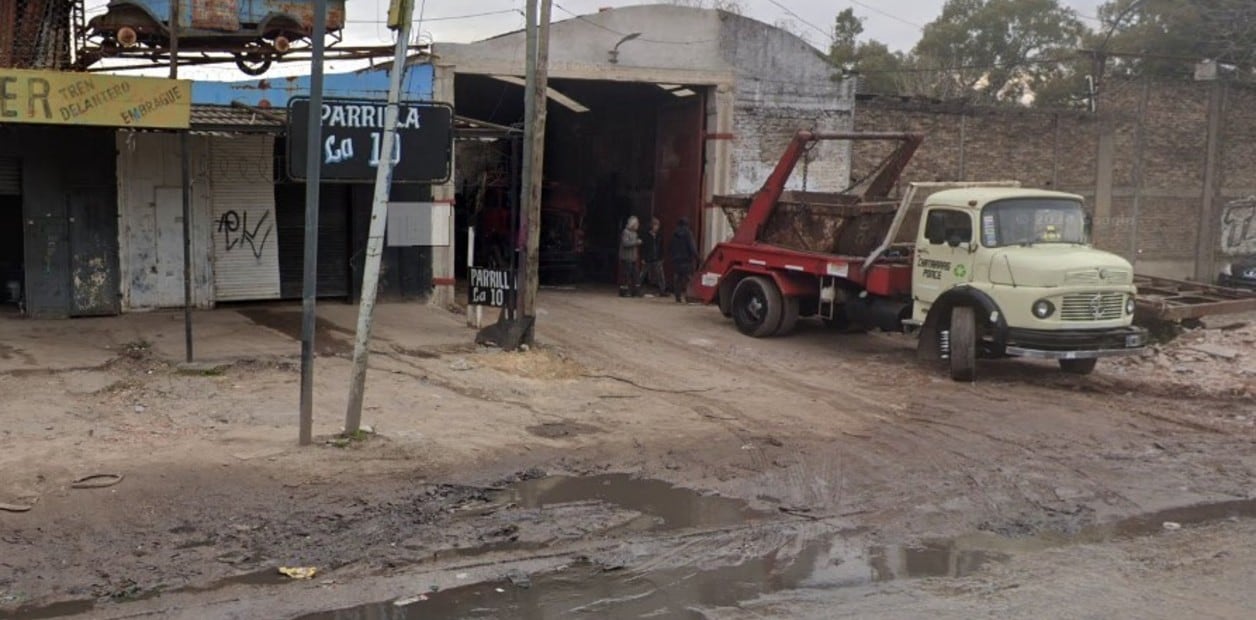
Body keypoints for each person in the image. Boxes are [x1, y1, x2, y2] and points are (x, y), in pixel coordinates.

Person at [670, 217, 699, 303]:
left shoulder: (674, 233)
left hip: (676, 260)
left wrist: (673, 257)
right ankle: (690, 296)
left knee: (677, 279)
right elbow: (692, 247)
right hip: (686, 260)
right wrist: (697, 257)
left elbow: (671, 247)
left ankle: (677, 297)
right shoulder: (688, 233)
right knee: (689, 279)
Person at [638, 217, 666, 297]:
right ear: (651, 226)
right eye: (655, 225)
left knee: (660, 275)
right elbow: (643, 248)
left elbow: (661, 247)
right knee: (642, 274)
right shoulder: (646, 235)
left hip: (657, 258)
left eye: (657, 225)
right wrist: (643, 257)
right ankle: (637, 287)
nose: (657, 227)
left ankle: (662, 291)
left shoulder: (659, 235)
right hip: (648, 258)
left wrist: (662, 257)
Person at [619, 216, 642, 297]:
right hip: (626, 257)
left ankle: (635, 291)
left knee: (635, 275)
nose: (638, 225)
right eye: (637, 224)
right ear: (633, 224)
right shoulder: (625, 232)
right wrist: (636, 242)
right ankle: (624, 292)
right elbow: (625, 243)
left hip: (633, 258)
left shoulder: (635, 233)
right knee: (626, 275)